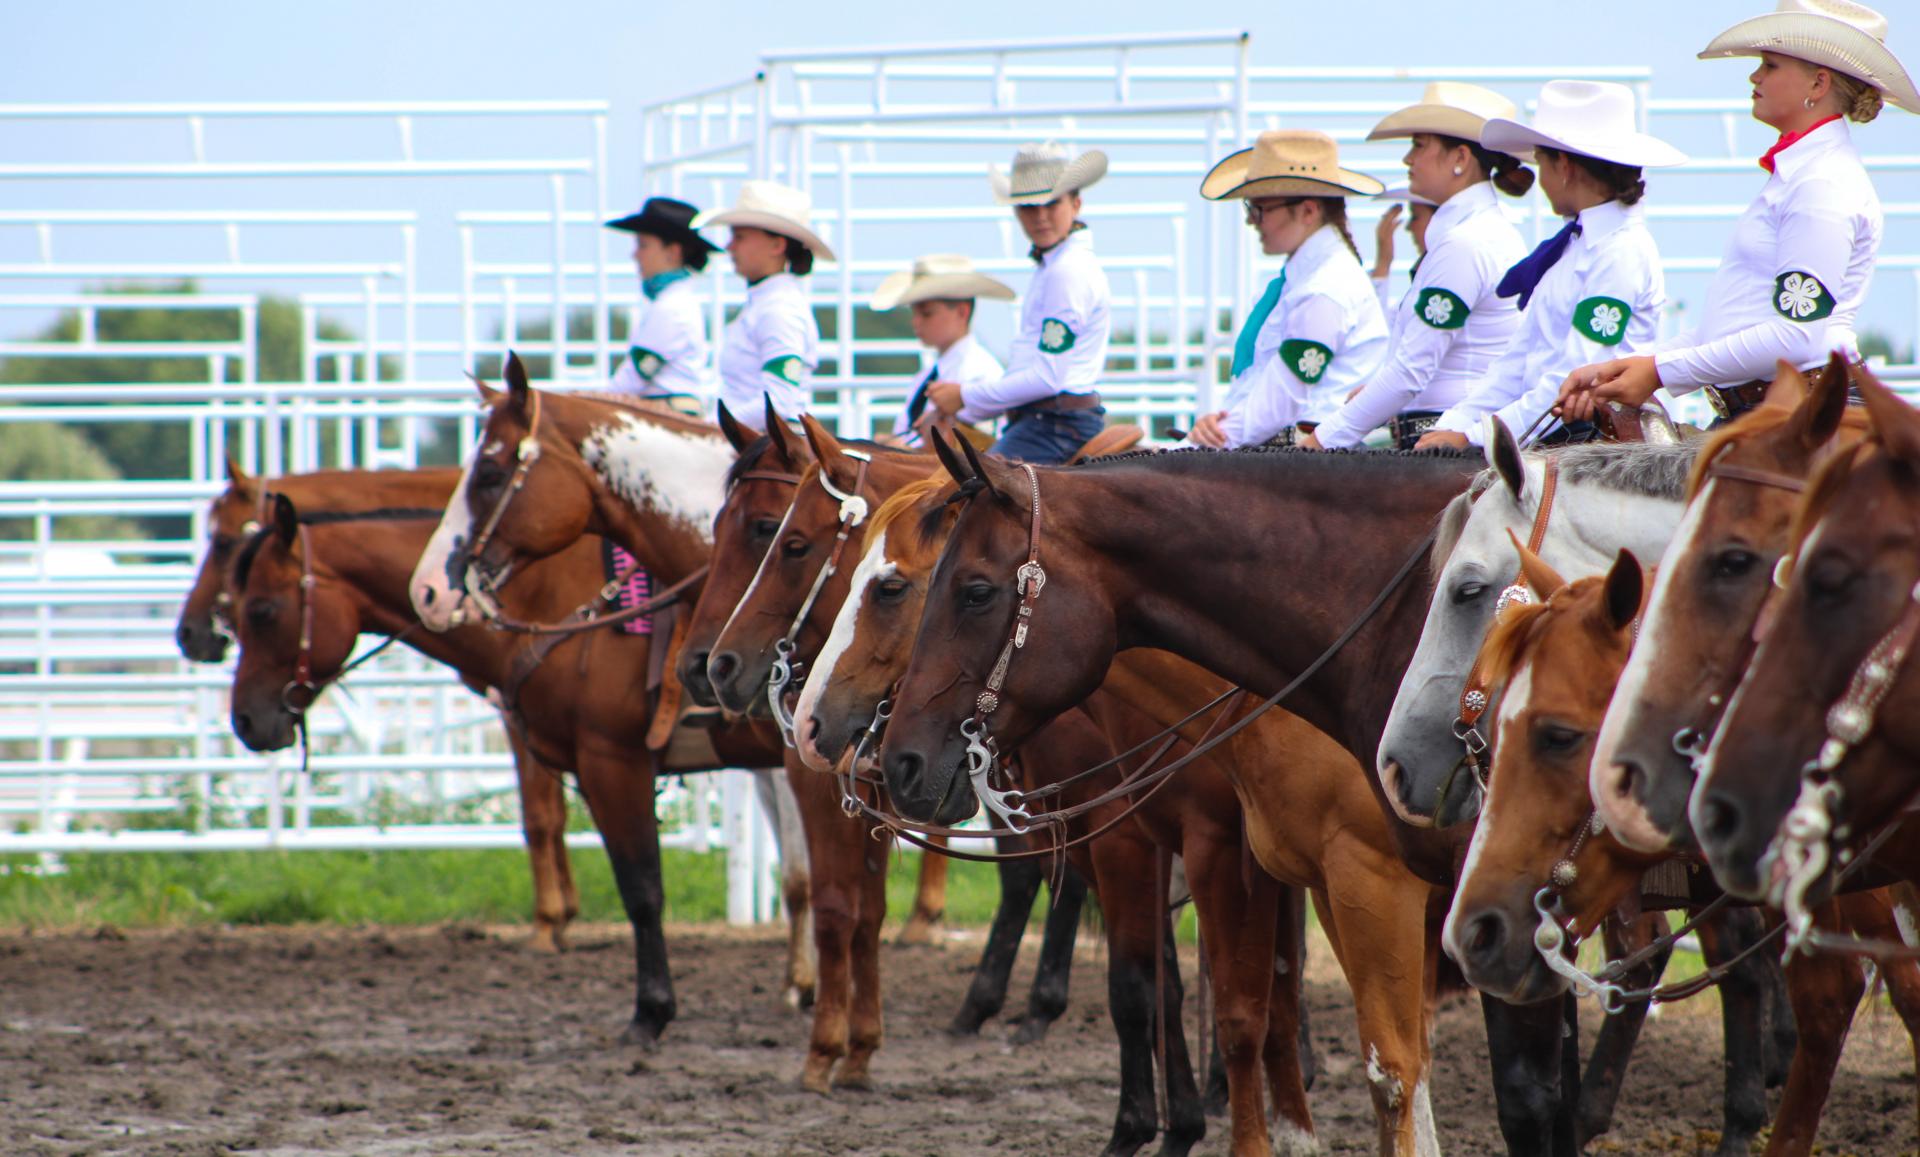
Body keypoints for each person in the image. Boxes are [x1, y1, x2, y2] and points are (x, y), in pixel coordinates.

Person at [1558, 0, 1914, 426]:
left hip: (1799, 419)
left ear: (1818, 84)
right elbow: (1737, 326)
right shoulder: (1807, 176)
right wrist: (1645, 365)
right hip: (1785, 410)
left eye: (1770, 65)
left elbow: (1796, 336)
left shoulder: (1821, 184)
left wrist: (1658, 371)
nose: (1755, 76)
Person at [1414, 81, 1686, 450]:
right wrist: (1455, 425)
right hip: (1549, 434)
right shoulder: (1574, 247)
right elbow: (1516, 362)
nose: (1539, 179)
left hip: (1594, 449)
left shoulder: (1621, 251)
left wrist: (1472, 436)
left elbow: (1571, 375)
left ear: (1564, 166)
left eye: (1540, 163)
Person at [1299, 83, 1531, 450]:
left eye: (1419, 145)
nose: (1408, 159)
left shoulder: (1464, 244)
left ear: (1460, 158)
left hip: (1447, 445)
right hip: (1450, 435)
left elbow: (1411, 372)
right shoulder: (1474, 236)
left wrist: (1322, 440)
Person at [1185, 130, 1390, 449]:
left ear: (1308, 211)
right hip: (1291, 453)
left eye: (1261, 209)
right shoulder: (1308, 280)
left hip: (1305, 462)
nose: (1253, 222)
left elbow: (1282, 400)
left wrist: (1199, 447)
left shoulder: (1324, 287)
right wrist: (1218, 423)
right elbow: (1267, 391)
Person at [924, 141, 1111, 465]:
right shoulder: (1058, 266)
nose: (1040, 216)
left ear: (1075, 203)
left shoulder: (1066, 272)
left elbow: (1047, 377)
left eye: (1051, 204)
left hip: (1055, 427)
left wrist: (965, 396)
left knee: (974, 499)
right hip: (1048, 423)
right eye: (1028, 206)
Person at [693, 181, 836, 427]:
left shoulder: (780, 309)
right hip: (755, 439)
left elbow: (778, 403)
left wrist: (708, 429)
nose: (730, 247)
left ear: (777, 245)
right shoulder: (770, 304)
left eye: (739, 237)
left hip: (762, 446)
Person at [869, 254, 1013, 449]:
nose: (915, 321)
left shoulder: (981, 374)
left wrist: (902, 450)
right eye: (915, 312)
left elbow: (975, 449)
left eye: (926, 313)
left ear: (962, 312)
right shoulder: (929, 375)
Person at [603, 197, 719, 418]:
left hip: (667, 417)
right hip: (665, 412)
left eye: (643, 245)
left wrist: (585, 405)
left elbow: (631, 379)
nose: (635, 254)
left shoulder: (672, 308)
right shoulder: (675, 302)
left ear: (673, 252)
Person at [1371, 182, 1438, 317]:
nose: (1408, 227)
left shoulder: (1442, 277)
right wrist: (1383, 264)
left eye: (1415, 217)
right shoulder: (1426, 275)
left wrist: (1382, 265)